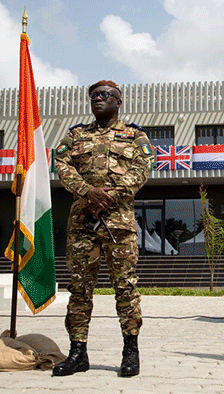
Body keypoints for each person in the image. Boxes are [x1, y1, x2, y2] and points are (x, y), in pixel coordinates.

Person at [53, 80, 153, 378]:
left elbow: (144, 167)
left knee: (125, 289)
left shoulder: (135, 135)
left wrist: (110, 195)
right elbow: (61, 163)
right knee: (79, 290)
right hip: (83, 226)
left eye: (105, 95)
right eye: (94, 95)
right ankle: (78, 352)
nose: (99, 99)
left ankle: (130, 352)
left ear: (118, 101)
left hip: (119, 225)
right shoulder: (76, 135)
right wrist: (87, 191)